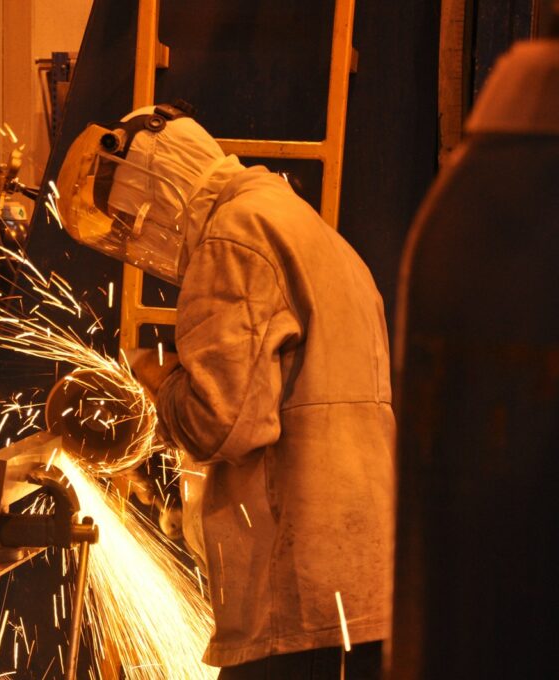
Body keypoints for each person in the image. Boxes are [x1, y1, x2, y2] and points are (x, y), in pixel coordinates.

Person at [55, 102, 395, 679]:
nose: (136, 239)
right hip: (361, 587)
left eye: (128, 220)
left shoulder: (234, 236)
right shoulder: (306, 229)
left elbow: (221, 420)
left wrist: (152, 385)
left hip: (299, 600)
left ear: (151, 189)